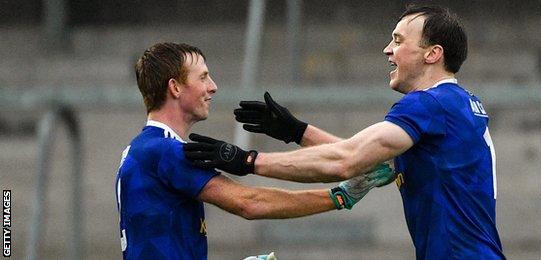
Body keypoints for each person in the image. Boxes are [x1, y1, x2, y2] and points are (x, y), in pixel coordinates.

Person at [184, 4, 505, 259]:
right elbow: (368, 160)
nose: (387, 50)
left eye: (398, 40)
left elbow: (347, 161)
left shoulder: (428, 104)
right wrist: (297, 131)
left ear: (432, 53)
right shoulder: (458, 104)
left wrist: (248, 161)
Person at [115, 42, 396, 259]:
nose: (213, 87)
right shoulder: (165, 150)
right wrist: (337, 197)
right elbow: (249, 202)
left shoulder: (142, 148)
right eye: (203, 77)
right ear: (175, 87)